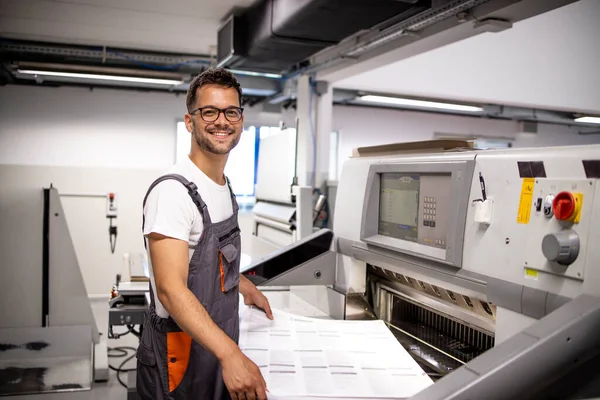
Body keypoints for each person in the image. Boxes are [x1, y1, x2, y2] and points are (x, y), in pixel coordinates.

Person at [135, 68, 273, 400]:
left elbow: (208, 259)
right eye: (209, 112)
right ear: (190, 121)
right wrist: (229, 354)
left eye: (231, 111)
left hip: (215, 342)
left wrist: (242, 284)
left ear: (241, 119)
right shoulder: (173, 191)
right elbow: (170, 291)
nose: (221, 121)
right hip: (181, 355)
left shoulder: (223, 187)